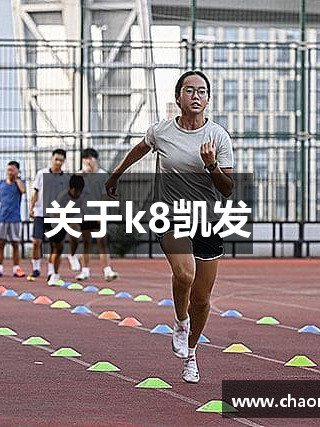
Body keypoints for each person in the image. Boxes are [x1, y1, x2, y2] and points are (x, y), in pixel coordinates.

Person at [105, 71, 234, 384]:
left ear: (208, 99)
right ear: (178, 97)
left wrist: (211, 165)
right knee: (185, 274)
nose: (195, 96)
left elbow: (228, 188)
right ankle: (180, 320)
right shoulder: (161, 131)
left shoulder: (218, 136)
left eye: (201, 91)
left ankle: (191, 354)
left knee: (201, 299)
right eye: (189, 90)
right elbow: (140, 148)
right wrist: (117, 174)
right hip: (169, 214)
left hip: (206, 220)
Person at [76, 148, 119, 282]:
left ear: (96, 160)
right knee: (86, 243)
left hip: (98, 213)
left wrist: (102, 215)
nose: (88, 161)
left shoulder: (103, 175)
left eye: (90, 158)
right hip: (84, 214)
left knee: (102, 242)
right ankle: (85, 270)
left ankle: (107, 270)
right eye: (85, 158)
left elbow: (104, 196)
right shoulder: (80, 175)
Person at [29, 149, 70, 281]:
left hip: (56, 216)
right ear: (52, 159)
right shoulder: (42, 174)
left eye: (61, 160)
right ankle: (36, 268)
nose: (58, 162)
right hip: (40, 213)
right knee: (36, 241)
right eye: (56, 159)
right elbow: (36, 192)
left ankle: (52, 271)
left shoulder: (66, 178)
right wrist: (31, 208)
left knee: (54, 244)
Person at [46, 175, 85, 285]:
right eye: (76, 191)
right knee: (58, 249)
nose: (78, 194)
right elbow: (56, 215)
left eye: (80, 191)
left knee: (75, 230)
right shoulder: (62, 197)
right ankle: (55, 274)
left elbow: (83, 208)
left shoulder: (82, 196)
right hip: (57, 222)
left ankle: (72, 255)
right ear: (70, 189)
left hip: (72, 220)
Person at [0, 161, 26, 278]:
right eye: (9, 170)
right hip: (2, 218)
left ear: (17, 171)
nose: (10, 172)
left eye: (12, 170)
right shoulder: (1, 184)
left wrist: (17, 179)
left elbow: (23, 190)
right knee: (1, 243)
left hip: (15, 218)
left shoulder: (20, 183)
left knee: (15, 243)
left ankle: (16, 267)